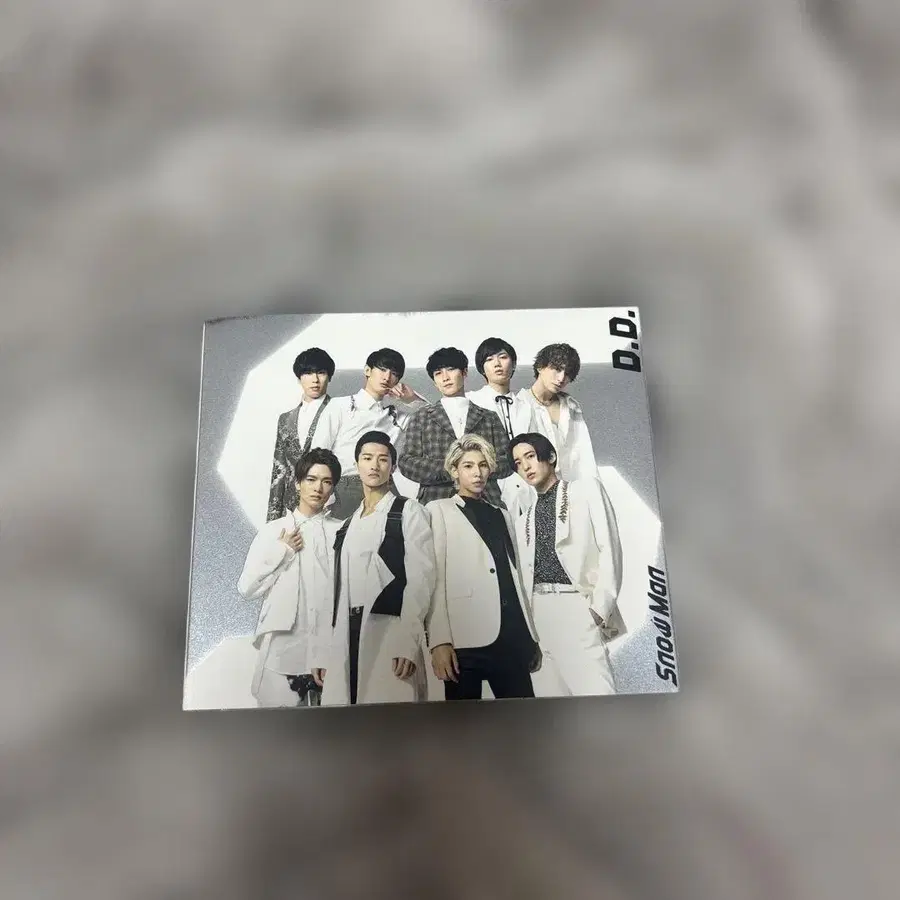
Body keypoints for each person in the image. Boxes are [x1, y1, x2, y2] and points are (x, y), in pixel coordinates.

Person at [312, 432, 435, 706]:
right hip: (346, 633)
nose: (374, 466)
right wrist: (323, 651)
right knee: (346, 720)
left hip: (389, 631)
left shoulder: (408, 511)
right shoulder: (347, 525)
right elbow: (333, 591)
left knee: (388, 717)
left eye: (383, 459)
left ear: (393, 466)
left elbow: (421, 580)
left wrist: (408, 641)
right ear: (357, 464)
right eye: (367, 458)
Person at [426, 434, 541, 701]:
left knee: (526, 719)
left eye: (483, 465)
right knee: (465, 724)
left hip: (511, 637)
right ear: (454, 470)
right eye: (468, 466)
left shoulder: (502, 514)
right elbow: (434, 580)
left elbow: (514, 578)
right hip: (464, 640)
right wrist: (439, 641)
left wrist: (530, 635)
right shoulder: (437, 510)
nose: (477, 473)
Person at [509, 433, 624, 696]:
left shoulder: (585, 490)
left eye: (530, 456)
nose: (525, 466)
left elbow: (610, 548)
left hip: (575, 605)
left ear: (550, 456)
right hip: (539, 615)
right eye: (518, 463)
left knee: (597, 695)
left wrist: (599, 608)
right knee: (553, 703)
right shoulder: (523, 519)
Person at [238, 448, 343, 707]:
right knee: (277, 725)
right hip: (283, 647)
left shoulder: (341, 531)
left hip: (329, 647)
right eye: (311, 479)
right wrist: (282, 550)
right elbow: (247, 588)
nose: (318, 488)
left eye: (326, 481)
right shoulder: (273, 531)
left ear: (333, 488)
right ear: (297, 483)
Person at [398, 346, 512, 507]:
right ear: (434, 382)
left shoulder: (489, 417)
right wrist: (453, 468)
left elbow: (508, 461)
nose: (445, 377)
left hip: (487, 501)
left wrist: (473, 469)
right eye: (438, 373)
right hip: (436, 501)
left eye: (451, 370)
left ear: (464, 372)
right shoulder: (421, 417)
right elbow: (406, 462)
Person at [325, 348, 427, 519]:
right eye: (382, 369)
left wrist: (412, 399)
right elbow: (320, 451)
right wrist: (326, 493)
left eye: (394, 374)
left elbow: (433, 418)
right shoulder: (340, 405)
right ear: (367, 370)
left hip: (384, 487)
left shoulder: (397, 416)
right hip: (345, 486)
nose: (387, 377)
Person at [267, 348, 340, 522]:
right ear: (299, 377)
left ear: (329, 376)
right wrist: (273, 519)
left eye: (321, 373)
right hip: (291, 508)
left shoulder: (340, 410)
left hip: (330, 505)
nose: (315, 380)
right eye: (308, 373)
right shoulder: (285, 419)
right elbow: (279, 470)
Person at [466, 336, 536, 514]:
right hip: (489, 489)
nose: (497, 364)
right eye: (489, 359)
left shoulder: (526, 406)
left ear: (514, 364)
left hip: (528, 488)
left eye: (503, 357)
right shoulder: (471, 400)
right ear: (482, 368)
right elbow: (440, 415)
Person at [516, 343, 598, 482]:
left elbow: (585, 455)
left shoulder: (571, 406)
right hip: (537, 487)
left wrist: (592, 487)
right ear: (540, 367)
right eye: (557, 369)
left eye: (567, 373)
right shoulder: (519, 404)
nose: (561, 378)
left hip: (573, 486)